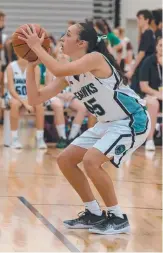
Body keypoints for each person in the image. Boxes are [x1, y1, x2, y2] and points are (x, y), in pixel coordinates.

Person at [19, 23, 150, 235]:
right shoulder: (69, 74)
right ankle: (93, 212)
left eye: (68, 35)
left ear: (81, 43)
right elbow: (35, 98)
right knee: (65, 160)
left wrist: (36, 47)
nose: (62, 38)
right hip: (107, 123)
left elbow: (57, 68)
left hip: (131, 119)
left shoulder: (95, 59)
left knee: (91, 161)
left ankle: (117, 217)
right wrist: (31, 66)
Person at [6, 56, 47, 149]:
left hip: (30, 97)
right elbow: (11, 90)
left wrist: (29, 101)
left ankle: (40, 138)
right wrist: (25, 103)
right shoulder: (11, 67)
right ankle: (14, 139)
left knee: (40, 105)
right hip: (15, 97)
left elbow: (35, 89)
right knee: (15, 104)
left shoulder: (36, 68)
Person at [140, 37, 162, 151]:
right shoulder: (149, 61)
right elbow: (143, 86)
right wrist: (158, 94)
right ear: (156, 47)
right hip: (150, 96)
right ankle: (150, 140)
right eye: (161, 45)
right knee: (153, 104)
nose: (162, 49)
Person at [128, 10, 156, 95]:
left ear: (147, 20)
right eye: (137, 18)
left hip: (144, 68)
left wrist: (132, 69)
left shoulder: (148, 33)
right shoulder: (145, 33)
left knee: (136, 93)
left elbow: (142, 53)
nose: (138, 20)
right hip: (143, 67)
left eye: (140, 18)